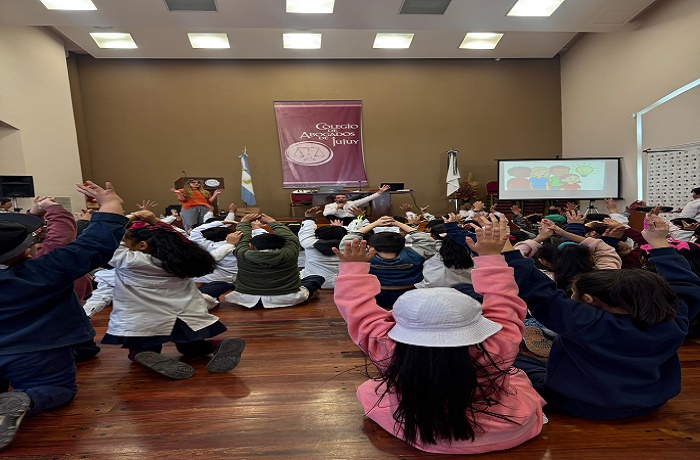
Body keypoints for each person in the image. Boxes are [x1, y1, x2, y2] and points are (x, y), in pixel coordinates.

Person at [332, 216, 544, 454]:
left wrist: (353, 269)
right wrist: (490, 257)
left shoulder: (387, 347)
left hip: (423, 430)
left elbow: (359, 311)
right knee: (517, 377)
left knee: (369, 390)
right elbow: (506, 303)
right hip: (506, 430)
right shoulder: (498, 344)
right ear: (479, 320)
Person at [507, 214, 700, 419]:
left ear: (589, 299)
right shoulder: (673, 319)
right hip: (651, 401)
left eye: (573, 295)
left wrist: (505, 249)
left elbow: (540, 293)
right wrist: (659, 243)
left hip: (579, 403)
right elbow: (684, 285)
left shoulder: (584, 322)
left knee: (516, 364)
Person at [0, 181, 129, 450]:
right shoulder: (46, 271)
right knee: (55, 388)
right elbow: (93, 245)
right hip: (39, 349)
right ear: (27, 250)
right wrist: (110, 205)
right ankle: (26, 399)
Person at [103, 210, 245, 380]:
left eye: (126, 242)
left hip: (145, 317)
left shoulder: (130, 261)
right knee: (191, 349)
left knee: (140, 351)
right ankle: (219, 345)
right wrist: (156, 221)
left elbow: (106, 239)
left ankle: (147, 355)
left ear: (142, 245)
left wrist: (129, 218)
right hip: (184, 314)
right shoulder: (185, 261)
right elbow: (185, 240)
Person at [223, 213, 324, 308]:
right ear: (282, 245)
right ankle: (310, 295)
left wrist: (244, 222)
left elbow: (242, 239)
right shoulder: (289, 253)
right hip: (286, 298)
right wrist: (271, 221)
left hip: (246, 298)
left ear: (251, 246)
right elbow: (291, 238)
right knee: (315, 279)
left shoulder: (242, 254)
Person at [340, 216, 436, 309]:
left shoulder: (362, 257)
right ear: (403, 247)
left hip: (373, 294)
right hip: (409, 293)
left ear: (370, 247)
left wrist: (374, 224)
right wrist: (397, 223)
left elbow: (348, 242)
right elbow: (427, 240)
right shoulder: (415, 255)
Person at [298, 206, 345, 289]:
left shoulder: (309, 243)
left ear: (318, 236)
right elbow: (358, 232)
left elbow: (305, 232)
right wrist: (340, 228)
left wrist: (309, 218)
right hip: (341, 283)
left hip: (313, 283)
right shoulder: (351, 246)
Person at [323, 185, 391, 220]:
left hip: (351, 219)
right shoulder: (329, 205)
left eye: (343, 197)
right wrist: (337, 208)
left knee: (361, 217)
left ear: (347, 199)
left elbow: (367, 199)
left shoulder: (352, 203)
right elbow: (325, 214)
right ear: (335, 199)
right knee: (329, 215)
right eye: (338, 198)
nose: (341, 199)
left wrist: (380, 192)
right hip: (337, 220)